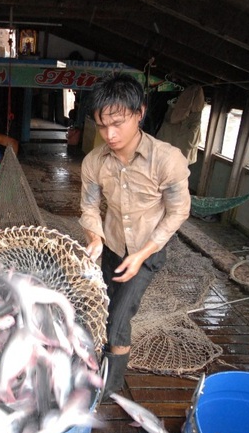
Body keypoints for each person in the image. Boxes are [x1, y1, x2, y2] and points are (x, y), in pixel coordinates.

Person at [79, 72, 191, 398]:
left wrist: (141, 255)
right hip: (111, 246)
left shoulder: (167, 159)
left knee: (117, 322)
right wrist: (94, 238)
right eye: (102, 125)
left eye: (118, 122)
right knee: (100, 310)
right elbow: (89, 207)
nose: (110, 134)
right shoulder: (94, 162)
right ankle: (94, 370)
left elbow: (178, 212)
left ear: (139, 112)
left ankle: (108, 391)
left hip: (148, 251)